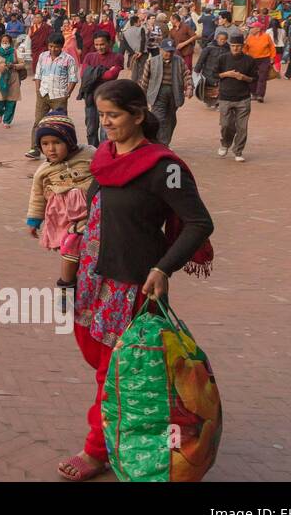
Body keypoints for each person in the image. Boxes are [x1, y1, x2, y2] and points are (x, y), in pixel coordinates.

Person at [58, 79, 214, 481]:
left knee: (114, 369)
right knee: (102, 361)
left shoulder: (165, 168)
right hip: (94, 276)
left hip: (133, 283)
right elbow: (99, 201)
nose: (104, 122)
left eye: (113, 115)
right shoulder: (106, 157)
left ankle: (97, 450)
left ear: (138, 116)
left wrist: (163, 268)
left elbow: (199, 222)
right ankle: (131, 430)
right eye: (101, 114)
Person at [25, 111, 94, 296]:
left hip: (90, 212)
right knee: (70, 248)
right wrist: (33, 220)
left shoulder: (88, 154)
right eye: (45, 144)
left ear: (70, 142)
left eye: (57, 143)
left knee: (84, 249)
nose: (51, 149)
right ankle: (67, 287)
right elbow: (37, 195)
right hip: (63, 216)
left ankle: (82, 281)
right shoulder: (44, 170)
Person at [26, 34, 78, 160]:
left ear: (61, 46)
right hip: (43, 94)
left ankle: (65, 150)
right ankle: (35, 148)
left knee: (60, 124)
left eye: (56, 47)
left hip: (59, 96)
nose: (53, 49)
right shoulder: (43, 56)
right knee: (38, 122)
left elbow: (73, 78)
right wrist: (38, 90)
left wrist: (67, 93)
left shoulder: (68, 59)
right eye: (51, 46)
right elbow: (38, 74)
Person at [139, 38, 192, 146]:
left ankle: (164, 143)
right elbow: (144, 81)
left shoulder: (179, 61)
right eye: (166, 51)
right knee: (158, 119)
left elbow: (186, 74)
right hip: (157, 93)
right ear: (160, 49)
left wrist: (190, 87)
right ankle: (157, 143)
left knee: (170, 120)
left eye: (171, 51)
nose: (169, 53)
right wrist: (141, 96)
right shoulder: (151, 62)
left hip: (174, 93)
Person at [214, 30, 257, 162]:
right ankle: (225, 144)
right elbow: (214, 74)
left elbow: (255, 79)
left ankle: (238, 150)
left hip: (243, 98)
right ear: (229, 45)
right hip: (225, 97)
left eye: (238, 45)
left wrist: (243, 77)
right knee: (226, 125)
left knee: (242, 127)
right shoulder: (223, 58)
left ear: (243, 46)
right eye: (233, 45)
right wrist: (226, 74)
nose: (235, 48)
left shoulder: (249, 60)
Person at [78, 31, 123, 147]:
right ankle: (93, 153)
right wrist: (105, 71)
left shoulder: (117, 57)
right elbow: (84, 75)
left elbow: (112, 75)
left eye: (102, 44)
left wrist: (93, 72)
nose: (99, 47)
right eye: (96, 45)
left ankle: (104, 153)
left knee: (106, 131)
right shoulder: (89, 57)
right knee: (91, 130)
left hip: (108, 99)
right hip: (91, 98)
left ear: (109, 43)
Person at [194, 28, 230, 109]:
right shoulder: (209, 47)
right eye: (220, 39)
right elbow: (201, 59)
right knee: (208, 89)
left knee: (219, 88)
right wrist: (197, 69)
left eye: (224, 40)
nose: (222, 41)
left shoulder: (228, 49)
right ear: (217, 39)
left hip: (221, 73)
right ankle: (209, 102)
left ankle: (218, 103)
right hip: (208, 72)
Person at [242, 23, 276, 103]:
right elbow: (245, 49)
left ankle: (260, 95)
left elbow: (272, 47)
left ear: (258, 29)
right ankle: (254, 93)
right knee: (252, 77)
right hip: (252, 59)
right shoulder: (249, 37)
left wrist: (272, 57)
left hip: (264, 59)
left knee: (262, 77)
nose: (250, 29)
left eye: (252, 28)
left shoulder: (266, 36)